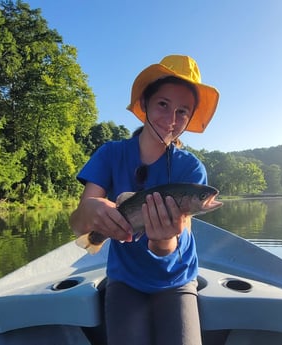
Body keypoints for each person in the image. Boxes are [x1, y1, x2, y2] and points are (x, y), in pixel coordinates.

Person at [69, 55, 220, 345]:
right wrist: (89, 210)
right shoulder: (111, 154)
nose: (171, 119)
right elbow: (77, 225)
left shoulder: (191, 168)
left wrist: (162, 241)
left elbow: (177, 240)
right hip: (124, 280)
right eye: (163, 104)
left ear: (189, 118)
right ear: (146, 105)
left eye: (183, 111)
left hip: (177, 278)